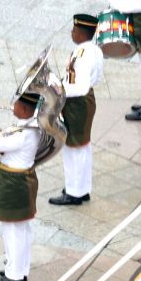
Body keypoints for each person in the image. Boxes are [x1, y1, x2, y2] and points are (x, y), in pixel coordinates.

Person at [0, 93, 42, 281]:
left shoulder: (23, 134)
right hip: (22, 179)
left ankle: (14, 274)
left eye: (16, 104)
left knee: (12, 229)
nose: (12, 105)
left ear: (24, 109)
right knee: (22, 228)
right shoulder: (30, 127)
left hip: (14, 182)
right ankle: (20, 269)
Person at [50, 13, 102, 207]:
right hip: (83, 101)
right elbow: (92, 80)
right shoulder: (92, 50)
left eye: (74, 30)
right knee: (83, 145)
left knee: (74, 148)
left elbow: (79, 87)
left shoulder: (83, 55)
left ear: (82, 33)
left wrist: (58, 90)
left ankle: (74, 193)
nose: (72, 33)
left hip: (77, 103)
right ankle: (82, 188)